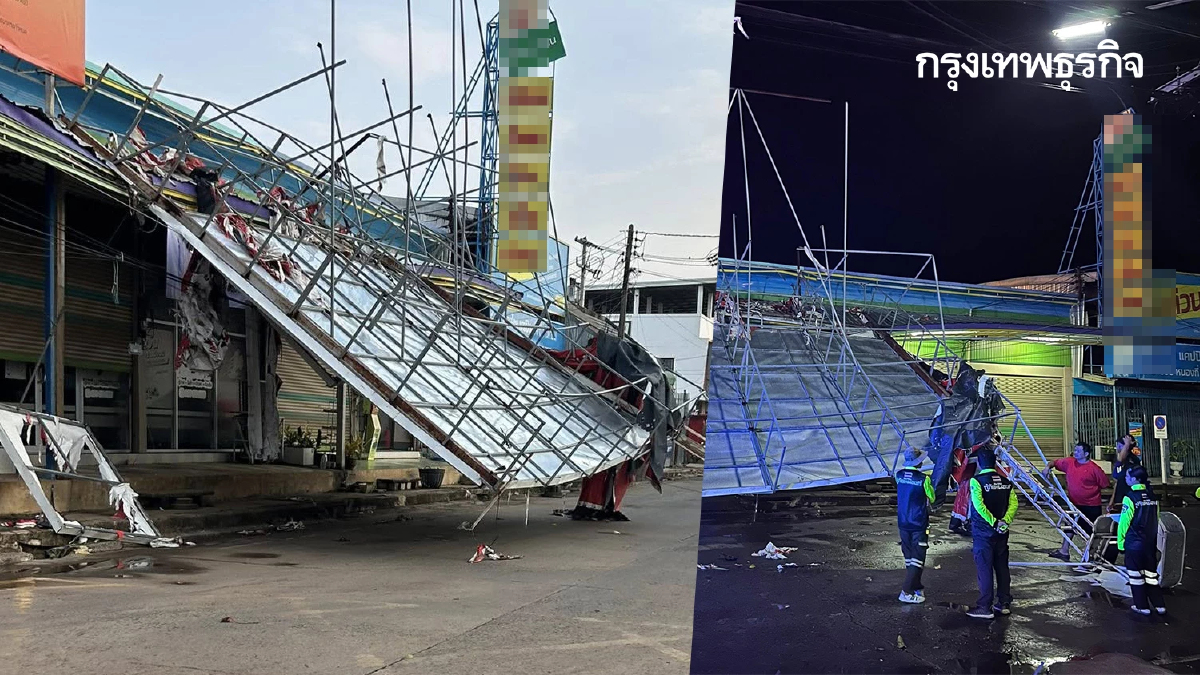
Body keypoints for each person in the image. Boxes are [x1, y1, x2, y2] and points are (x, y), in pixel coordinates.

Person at [966, 445, 1018, 619]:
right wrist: (1005, 522)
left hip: (984, 533)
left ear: (980, 463)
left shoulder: (977, 481)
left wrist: (994, 522)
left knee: (984, 568)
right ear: (995, 464)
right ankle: (1004, 603)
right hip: (1002, 532)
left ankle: (984, 607)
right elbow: (1014, 504)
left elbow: (979, 506)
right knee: (1002, 567)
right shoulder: (1006, 482)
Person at [1044, 443, 1110, 561]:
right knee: (1069, 525)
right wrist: (1047, 467)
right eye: (1075, 450)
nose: (1075, 453)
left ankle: (1091, 554)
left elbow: (1105, 483)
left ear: (1086, 454)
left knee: (1091, 531)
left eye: (1078, 451)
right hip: (1074, 503)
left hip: (1091, 505)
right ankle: (1064, 550)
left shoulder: (1094, 469)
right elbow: (1054, 462)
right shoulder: (1069, 462)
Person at [1117, 465, 1166, 616]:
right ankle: (1159, 605)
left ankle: (1142, 606)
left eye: (1128, 477)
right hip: (1149, 543)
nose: (1126, 479)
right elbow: (1156, 519)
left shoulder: (1130, 497)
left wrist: (1121, 543)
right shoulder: (1152, 496)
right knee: (1151, 576)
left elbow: (1124, 522)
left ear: (1135, 479)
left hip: (1134, 543)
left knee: (1136, 576)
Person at [894, 447, 935, 604]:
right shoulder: (923, 479)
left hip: (903, 522)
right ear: (919, 462)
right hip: (918, 523)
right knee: (918, 558)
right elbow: (931, 497)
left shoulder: (899, 475)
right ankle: (906, 591)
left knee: (909, 557)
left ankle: (917, 587)